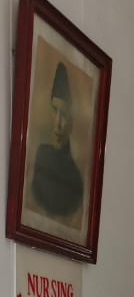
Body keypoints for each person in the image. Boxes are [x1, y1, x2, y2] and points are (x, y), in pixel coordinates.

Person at [30, 62, 84, 220]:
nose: (58, 124)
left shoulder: (75, 180)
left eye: (64, 114)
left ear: (72, 121)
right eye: (54, 110)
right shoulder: (40, 155)